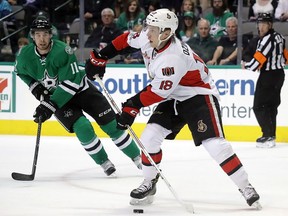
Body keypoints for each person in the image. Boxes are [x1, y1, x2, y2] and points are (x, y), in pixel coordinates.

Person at [85, 8, 261, 209]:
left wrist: (131, 107)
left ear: (166, 33)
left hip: (199, 95)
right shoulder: (151, 36)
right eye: (148, 27)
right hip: (174, 94)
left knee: (215, 144)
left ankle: (246, 186)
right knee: (149, 137)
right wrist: (100, 56)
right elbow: (126, 40)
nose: (147, 32)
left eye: (152, 29)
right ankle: (149, 182)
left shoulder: (172, 57)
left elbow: (157, 92)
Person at [14, 17, 142, 177]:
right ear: (32, 36)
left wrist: (50, 104)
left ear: (51, 34)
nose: (42, 39)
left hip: (82, 91)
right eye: (38, 34)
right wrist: (37, 89)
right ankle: (104, 162)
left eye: (45, 34)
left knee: (112, 125)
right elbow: (21, 73)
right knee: (83, 128)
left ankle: (138, 158)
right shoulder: (24, 55)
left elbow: (72, 82)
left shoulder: (63, 51)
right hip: (60, 101)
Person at [242, 13, 287, 148]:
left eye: (263, 24)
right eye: (259, 24)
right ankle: (271, 135)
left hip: (268, 76)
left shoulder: (266, 40)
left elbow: (256, 63)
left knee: (259, 106)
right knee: (271, 106)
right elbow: (285, 56)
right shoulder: (279, 37)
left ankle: (267, 136)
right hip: (279, 75)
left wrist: (246, 66)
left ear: (270, 25)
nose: (260, 27)